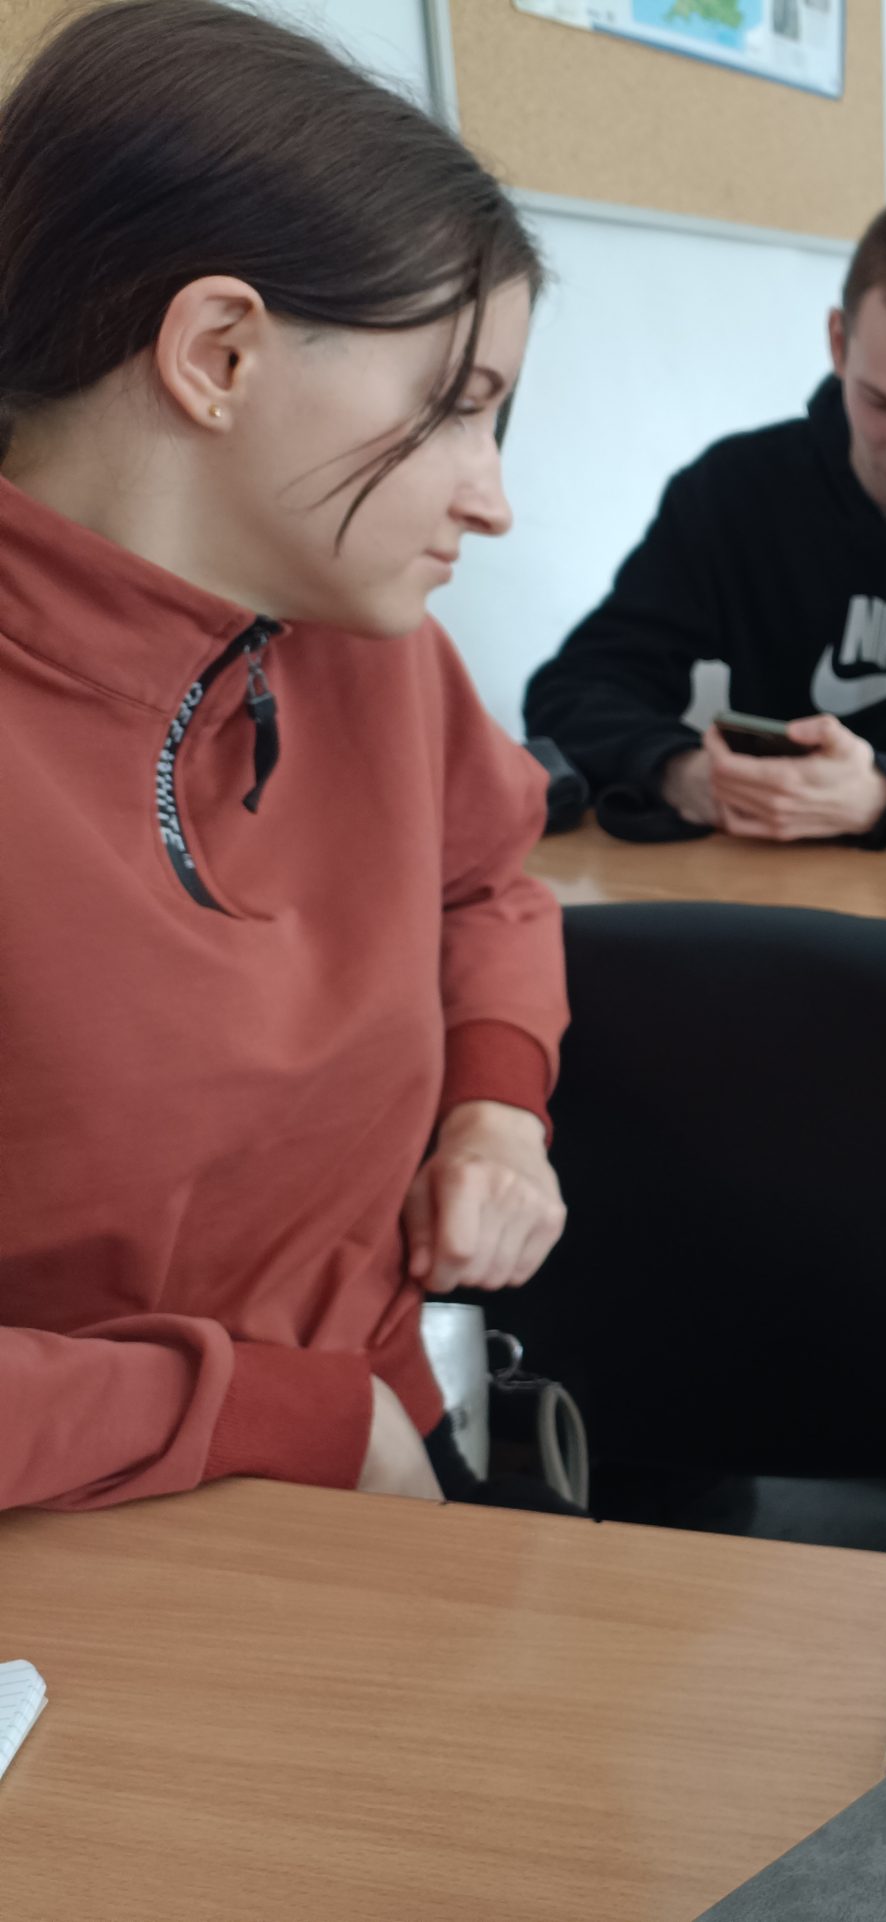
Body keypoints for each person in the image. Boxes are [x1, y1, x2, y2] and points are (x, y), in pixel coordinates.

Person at [0, 0, 568, 1513]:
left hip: (366, 1461)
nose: (491, 497)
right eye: (451, 408)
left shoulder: (369, 636)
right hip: (85, 1535)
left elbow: (487, 879)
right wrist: (284, 1413)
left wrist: (496, 1104)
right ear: (220, 354)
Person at [525, 196, 886, 847]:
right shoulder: (733, 490)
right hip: (774, 868)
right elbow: (575, 689)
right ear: (838, 342)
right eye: (880, 403)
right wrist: (683, 772)